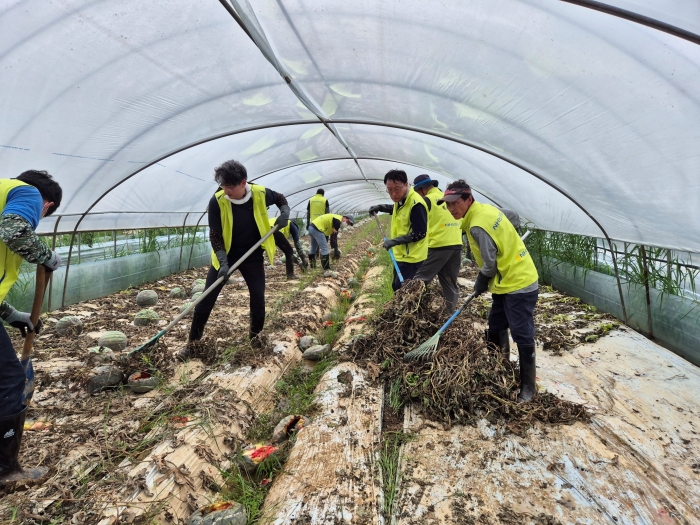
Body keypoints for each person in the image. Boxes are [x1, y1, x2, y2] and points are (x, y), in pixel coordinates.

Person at [438, 179, 539, 403]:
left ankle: (528, 388)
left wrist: (481, 280)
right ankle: (498, 367)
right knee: (495, 325)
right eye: (447, 205)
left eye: (455, 203)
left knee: (522, 332)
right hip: (505, 282)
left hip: (518, 283)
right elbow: (512, 216)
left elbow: (490, 264)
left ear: (468, 199)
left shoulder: (476, 225)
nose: (451, 208)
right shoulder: (485, 210)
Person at [178, 160, 290, 358]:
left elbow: (280, 198)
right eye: (223, 186)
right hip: (226, 255)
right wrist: (222, 262)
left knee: (257, 296)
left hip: (252, 254)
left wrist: (285, 212)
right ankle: (192, 344)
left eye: (230, 187)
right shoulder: (217, 201)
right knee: (207, 297)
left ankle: (255, 340)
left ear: (243, 183)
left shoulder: (261, 193)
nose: (226, 191)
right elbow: (214, 234)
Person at [0, 170, 62, 484]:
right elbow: (13, 231)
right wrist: (44, 255)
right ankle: (6, 471)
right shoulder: (28, 193)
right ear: (48, 203)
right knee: (10, 380)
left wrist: (11, 314)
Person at [368, 169, 428, 291]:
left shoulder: (416, 204)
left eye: (396, 189)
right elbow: (396, 209)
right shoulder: (401, 200)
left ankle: (408, 310)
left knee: (405, 291)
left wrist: (394, 241)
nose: (393, 194)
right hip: (401, 255)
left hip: (412, 258)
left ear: (406, 185)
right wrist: (381, 207)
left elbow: (420, 233)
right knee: (396, 286)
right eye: (389, 190)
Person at [411, 174, 463, 313]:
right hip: (457, 244)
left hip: (439, 245)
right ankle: (449, 315)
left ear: (422, 189)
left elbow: (418, 224)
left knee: (420, 280)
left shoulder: (428, 200)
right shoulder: (446, 198)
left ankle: (408, 311)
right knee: (450, 283)